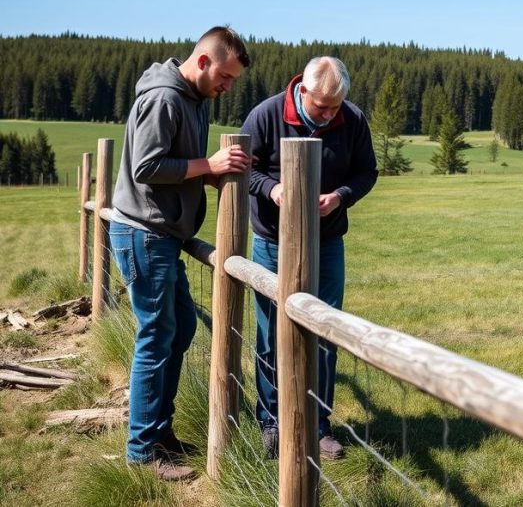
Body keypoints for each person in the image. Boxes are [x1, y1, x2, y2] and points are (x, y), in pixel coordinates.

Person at [109, 26, 252, 481]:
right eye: (226, 77)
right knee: (156, 336)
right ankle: (142, 451)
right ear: (205, 61)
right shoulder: (167, 99)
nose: (228, 87)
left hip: (160, 235)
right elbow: (147, 166)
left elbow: (175, 162)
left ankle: (158, 431)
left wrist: (203, 174)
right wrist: (207, 166)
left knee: (180, 325)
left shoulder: (191, 100)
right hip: (145, 233)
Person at [241, 56, 378, 460]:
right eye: (322, 106)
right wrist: (272, 190)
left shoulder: (352, 119)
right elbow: (242, 170)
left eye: (336, 106)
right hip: (272, 242)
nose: (330, 113)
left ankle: (318, 427)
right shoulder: (265, 115)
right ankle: (271, 421)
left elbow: (366, 172)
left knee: (324, 332)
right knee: (271, 334)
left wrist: (340, 197)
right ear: (303, 91)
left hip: (327, 242)